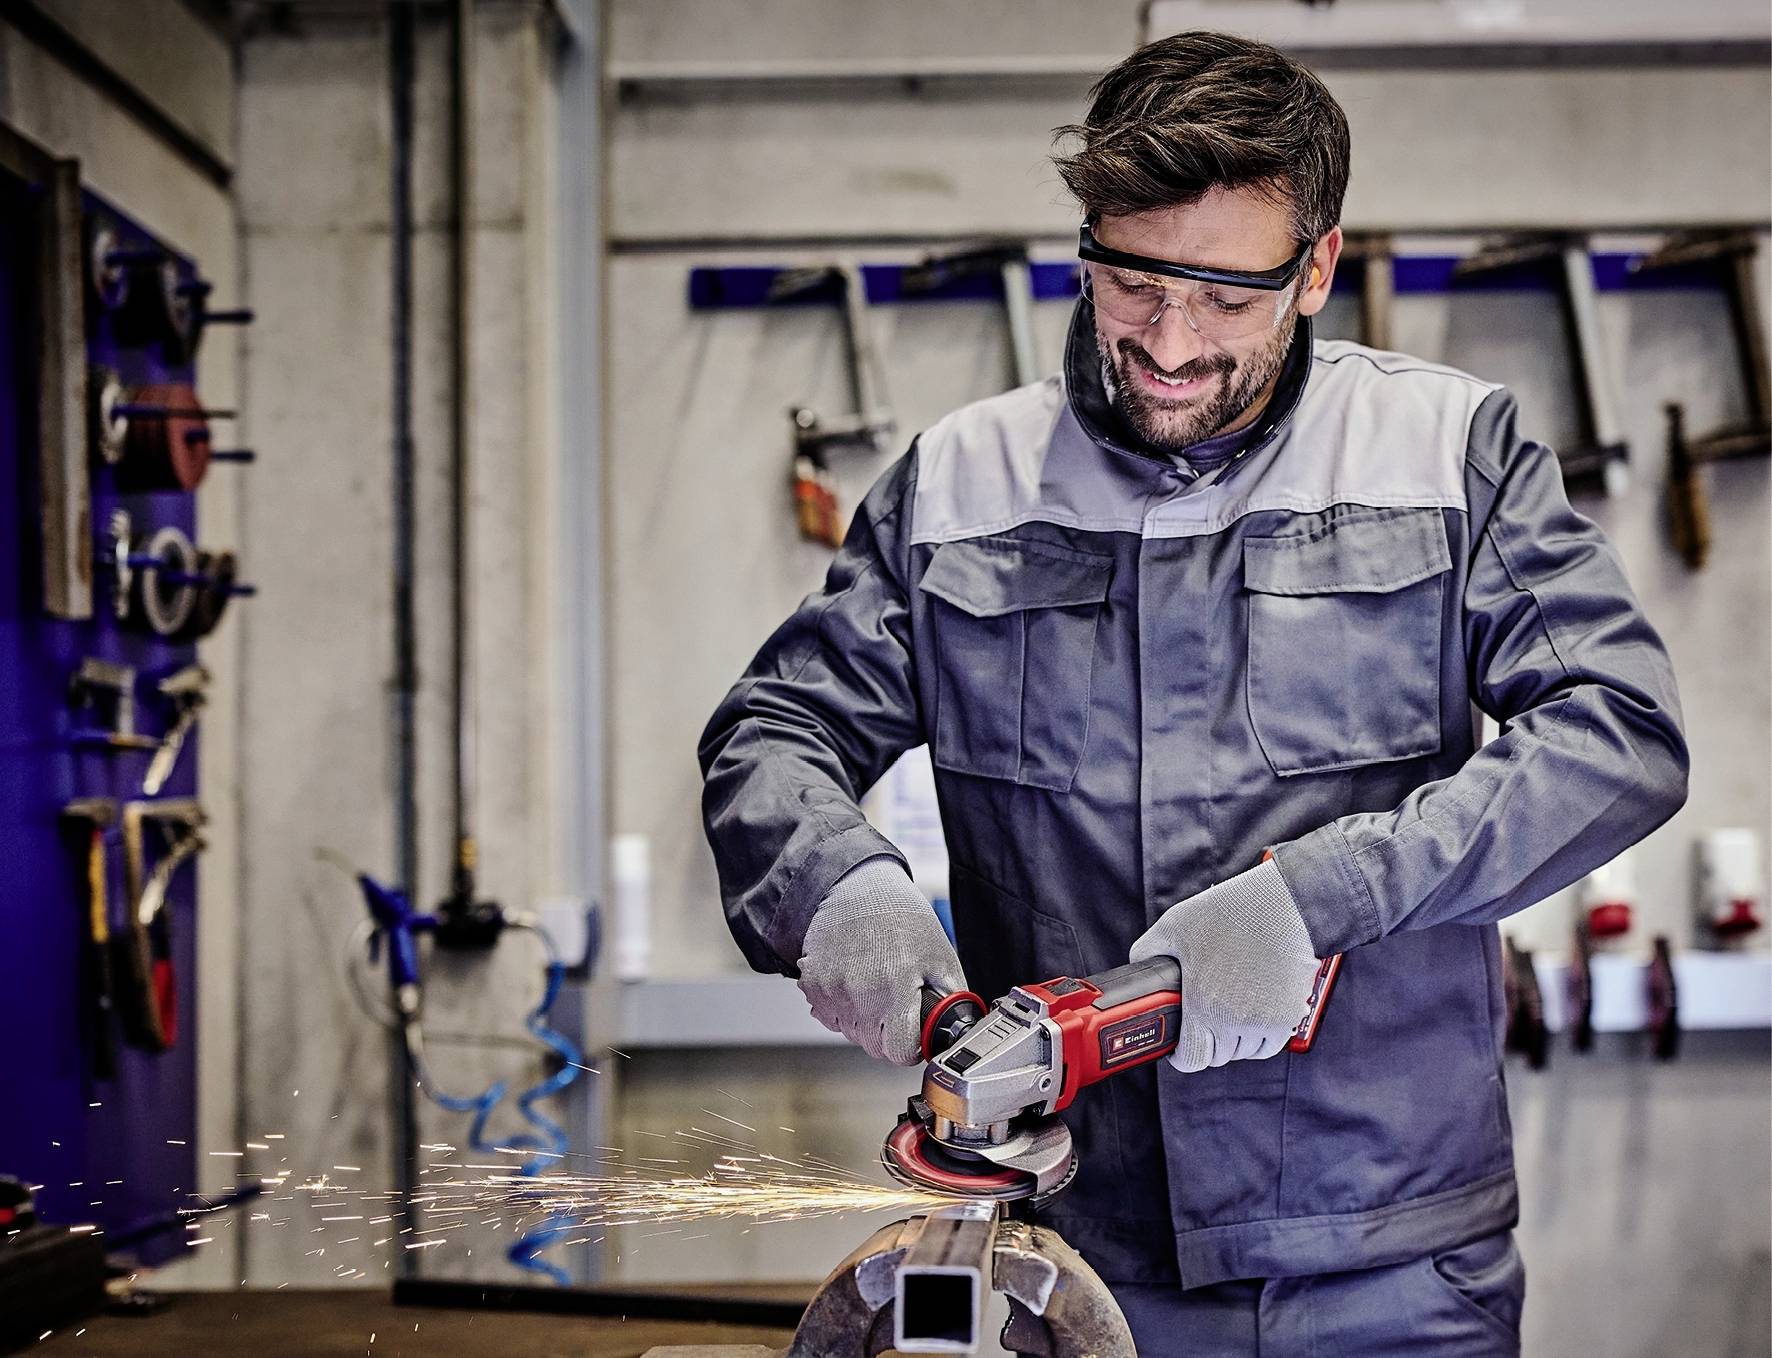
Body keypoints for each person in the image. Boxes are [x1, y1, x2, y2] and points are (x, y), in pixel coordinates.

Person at [699, 30, 1686, 1355]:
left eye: (1225, 292)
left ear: (1317, 266)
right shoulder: (960, 484)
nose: (1168, 340)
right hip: (1079, 1262)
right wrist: (840, 894)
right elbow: (774, 731)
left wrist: (1321, 896)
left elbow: (1618, 731)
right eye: (1131, 277)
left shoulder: (1446, 455)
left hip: (1390, 1273)